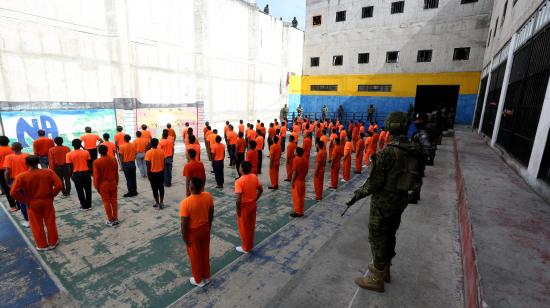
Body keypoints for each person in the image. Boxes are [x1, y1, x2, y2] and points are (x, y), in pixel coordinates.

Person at [346, 112, 422, 293]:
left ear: (390, 127)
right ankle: (385, 269)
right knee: (390, 234)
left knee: (378, 237)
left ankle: (376, 278)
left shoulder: (386, 153)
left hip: (383, 202)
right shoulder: (414, 148)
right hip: (401, 199)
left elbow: (374, 182)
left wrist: (357, 195)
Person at [10, 155, 62, 250]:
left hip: (32, 202)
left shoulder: (21, 176)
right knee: (50, 222)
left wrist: (25, 200)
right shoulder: (48, 172)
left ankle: (42, 245)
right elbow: (59, 185)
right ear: (38, 162)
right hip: (47, 200)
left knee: (36, 224)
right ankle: (53, 242)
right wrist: (52, 195)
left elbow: (13, 193)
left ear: (26, 164)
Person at [179, 177, 214, 288]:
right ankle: (206, 276)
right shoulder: (208, 196)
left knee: (195, 256)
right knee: (205, 253)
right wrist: (209, 226)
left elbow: (184, 224)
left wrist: (185, 238)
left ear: (191, 187)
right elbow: (211, 213)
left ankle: (198, 279)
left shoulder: (186, 202)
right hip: (205, 228)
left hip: (193, 232)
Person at [234, 161, 263, 253]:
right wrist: (255, 199)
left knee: (244, 228)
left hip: (244, 207)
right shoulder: (254, 177)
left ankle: (246, 247)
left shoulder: (239, 181)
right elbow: (260, 190)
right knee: (251, 225)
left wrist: (238, 210)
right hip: (253, 204)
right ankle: (250, 244)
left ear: (241, 169)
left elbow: (238, 199)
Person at [4, 142, 30, 225]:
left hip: (15, 180)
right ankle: (34, 216)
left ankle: (27, 220)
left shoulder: (8, 157)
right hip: (27, 179)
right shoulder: (27, 155)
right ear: (22, 147)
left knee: (21, 200)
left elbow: (7, 172)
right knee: (30, 198)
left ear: (12, 149)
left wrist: (7, 181)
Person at [93, 145, 119, 226]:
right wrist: (116, 182)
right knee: (114, 200)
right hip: (113, 182)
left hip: (104, 184)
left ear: (99, 152)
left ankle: (110, 220)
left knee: (106, 202)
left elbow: (97, 176)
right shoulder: (113, 159)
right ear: (107, 150)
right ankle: (115, 218)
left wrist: (97, 186)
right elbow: (116, 172)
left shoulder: (97, 162)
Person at [66, 139, 92, 211]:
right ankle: (89, 205)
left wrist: (71, 176)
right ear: (80, 144)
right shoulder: (86, 152)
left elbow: (69, 166)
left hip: (76, 174)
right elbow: (89, 164)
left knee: (79, 191)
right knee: (88, 190)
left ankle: (83, 206)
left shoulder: (69, 154)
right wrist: (90, 172)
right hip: (86, 173)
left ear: (72, 145)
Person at [145, 138, 165, 209]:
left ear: (150, 143)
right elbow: (163, 161)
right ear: (157, 143)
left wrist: (148, 174)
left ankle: (157, 203)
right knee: (161, 187)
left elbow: (148, 165)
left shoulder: (148, 153)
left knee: (154, 189)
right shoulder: (162, 151)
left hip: (152, 173)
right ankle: (161, 203)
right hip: (161, 172)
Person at [290, 147, 308, 217]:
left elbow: (294, 172)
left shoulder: (296, 159)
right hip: (303, 180)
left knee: (296, 197)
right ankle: (300, 210)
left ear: (297, 153)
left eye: (295, 151)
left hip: (297, 181)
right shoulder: (304, 159)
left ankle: (297, 212)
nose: (294, 151)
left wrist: (292, 181)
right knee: (301, 197)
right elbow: (307, 169)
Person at [0, 136, 16, 210]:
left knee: (7, 188)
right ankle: (20, 204)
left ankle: (13, 206)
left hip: (2, 170)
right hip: (13, 169)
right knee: (16, 185)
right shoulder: (12, 148)